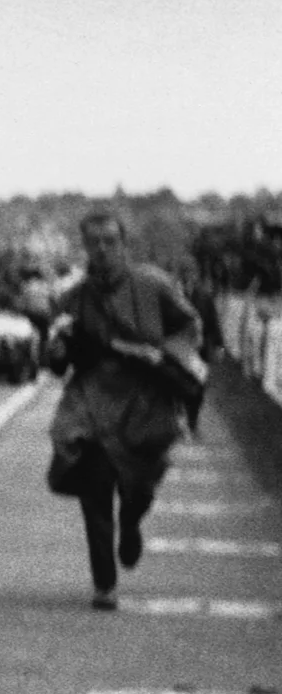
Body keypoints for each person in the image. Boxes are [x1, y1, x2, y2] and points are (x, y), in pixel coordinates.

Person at [47, 209, 207, 611]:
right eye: (93, 243)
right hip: (93, 403)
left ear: (124, 245)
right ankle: (104, 582)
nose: (101, 251)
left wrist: (157, 354)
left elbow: (190, 327)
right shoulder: (73, 297)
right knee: (95, 485)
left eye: (110, 242)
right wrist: (56, 350)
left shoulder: (153, 284)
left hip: (146, 403)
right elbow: (56, 360)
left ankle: (132, 521)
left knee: (140, 486)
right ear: (84, 246)